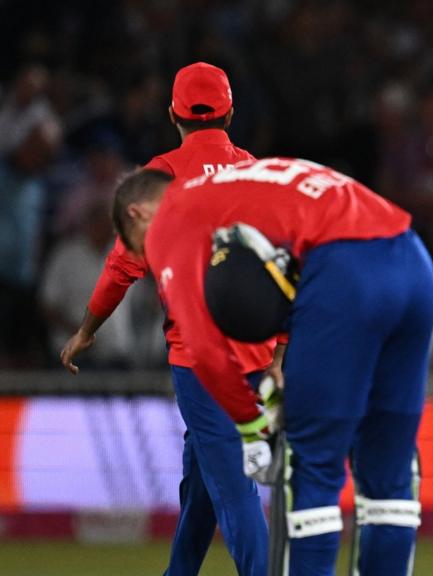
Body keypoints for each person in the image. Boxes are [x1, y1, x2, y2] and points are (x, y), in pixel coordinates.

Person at [111, 158, 433, 575]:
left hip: (346, 269)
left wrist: (250, 428)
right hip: (413, 259)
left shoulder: (171, 215)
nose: (152, 265)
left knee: (311, 471)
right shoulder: (245, 180)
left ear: (137, 214)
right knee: (389, 484)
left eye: (141, 252)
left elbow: (203, 348)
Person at [59, 62, 273, 576]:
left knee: (233, 490)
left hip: (201, 359)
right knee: (203, 485)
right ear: (229, 112)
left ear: (173, 112)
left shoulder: (158, 177)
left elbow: (121, 265)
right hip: (255, 354)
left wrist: (87, 330)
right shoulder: (254, 171)